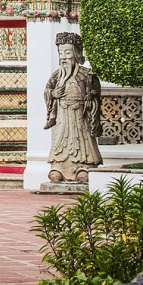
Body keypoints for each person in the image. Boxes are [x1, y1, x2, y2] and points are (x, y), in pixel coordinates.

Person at [44, 32, 102, 183]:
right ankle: (58, 167)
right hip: (63, 116)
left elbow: (96, 91)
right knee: (60, 140)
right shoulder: (57, 76)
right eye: (61, 52)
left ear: (76, 53)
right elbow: (47, 90)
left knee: (83, 140)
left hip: (80, 115)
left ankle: (84, 166)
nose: (64, 57)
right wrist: (54, 94)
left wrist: (91, 97)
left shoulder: (86, 75)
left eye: (67, 52)